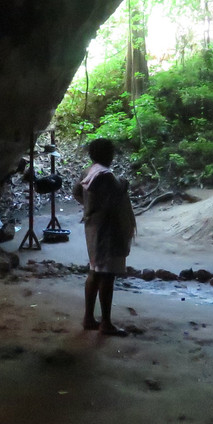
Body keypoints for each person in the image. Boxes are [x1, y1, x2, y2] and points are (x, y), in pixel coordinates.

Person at [73, 137, 135, 336]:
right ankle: (106, 322)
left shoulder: (89, 171)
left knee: (95, 271)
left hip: (93, 227)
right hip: (108, 230)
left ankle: (89, 318)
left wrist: (90, 208)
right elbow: (116, 199)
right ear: (108, 154)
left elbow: (76, 192)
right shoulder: (106, 175)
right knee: (107, 275)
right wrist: (124, 185)